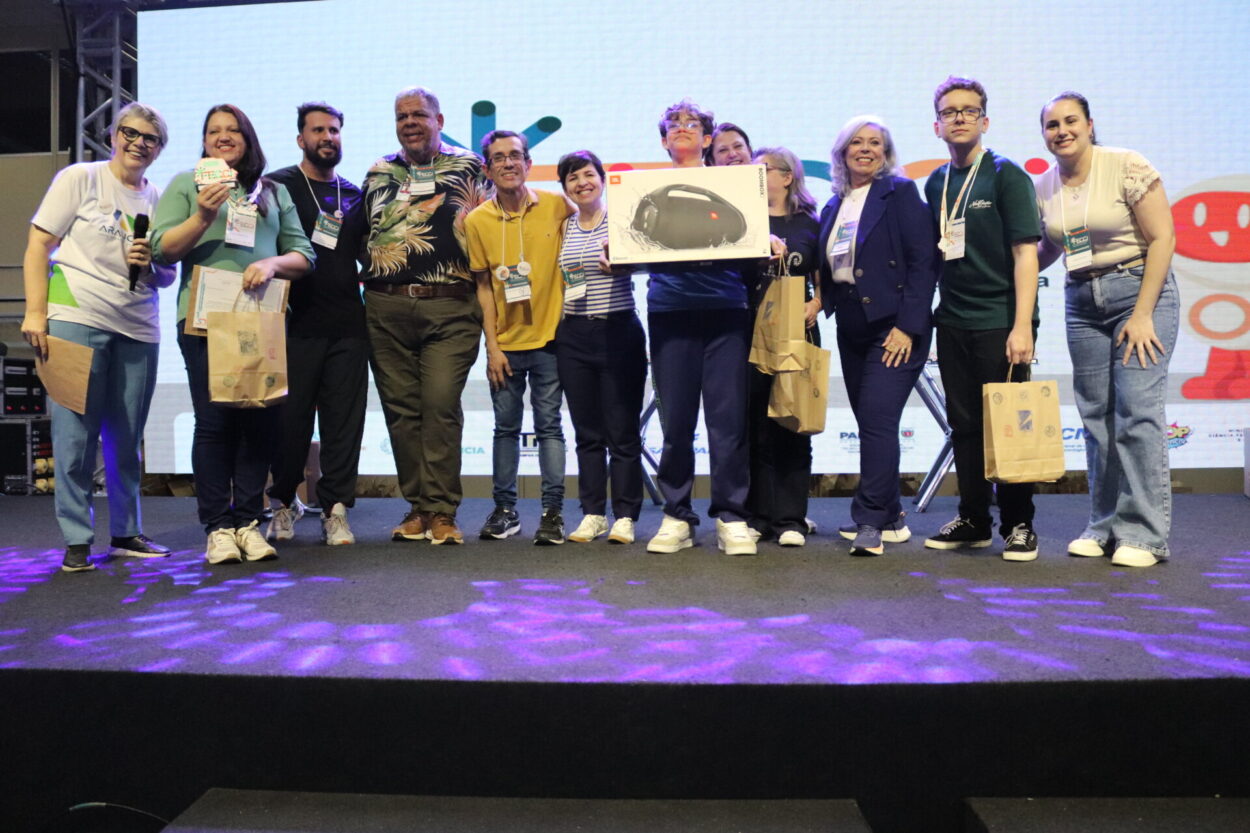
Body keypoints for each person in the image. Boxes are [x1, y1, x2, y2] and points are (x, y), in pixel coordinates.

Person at [151, 104, 314, 564]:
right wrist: (202, 215)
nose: (223, 136)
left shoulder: (271, 191)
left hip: (259, 321)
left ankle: (247, 522)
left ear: (247, 138)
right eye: (213, 131)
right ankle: (217, 528)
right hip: (203, 320)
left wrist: (272, 263)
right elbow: (162, 251)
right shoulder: (187, 184)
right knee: (215, 423)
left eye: (232, 130)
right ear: (204, 142)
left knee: (259, 422)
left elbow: (303, 254)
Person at [22, 102, 176, 572]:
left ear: (158, 149)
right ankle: (76, 538)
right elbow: (38, 244)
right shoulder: (81, 179)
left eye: (149, 139)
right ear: (114, 135)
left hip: (138, 327)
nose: (138, 143)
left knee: (126, 439)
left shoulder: (158, 201)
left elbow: (167, 276)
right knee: (74, 439)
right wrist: (34, 312)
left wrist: (150, 260)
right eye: (130, 133)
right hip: (76, 318)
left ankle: (126, 532)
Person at [1035, 92, 1179, 568]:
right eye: (1052, 125)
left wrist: (1142, 313)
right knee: (1097, 419)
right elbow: (1049, 251)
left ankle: (1145, 535)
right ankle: (1104, 526)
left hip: (1139, 292)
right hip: (1080, 302)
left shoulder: (1125, 165)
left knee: (1137, 413)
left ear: (1091, 124)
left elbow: (1162, 237)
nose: (1062, 131)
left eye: (1070, 121)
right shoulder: (1045, 184)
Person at [641, 98, 778, 556]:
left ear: (706, 138)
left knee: (727, 423)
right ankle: (677, 515)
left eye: (692, 123)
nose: (682, 129)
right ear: (664, 140)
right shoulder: (643, 191)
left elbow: (754, 237)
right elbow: (631, 248)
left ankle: (731, 516)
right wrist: (613, 257)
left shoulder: (734, 186)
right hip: (669, 314)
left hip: (725, 312)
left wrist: (769, 238)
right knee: (676, 424)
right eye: (673, 125)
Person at [922, 76, 1043, 562]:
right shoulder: (935, 182)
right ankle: (974, 518)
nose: (960, 118)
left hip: (1000, 320)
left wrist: (1022, 326)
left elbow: (1025, 254)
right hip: (952, 320)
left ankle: (1019, 524)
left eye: (969, 111)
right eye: (950, 112)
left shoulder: (1007, 175)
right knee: (964, 425)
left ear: (985, 121)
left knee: (1010, 424)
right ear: (937, 125)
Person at [361, 86, 489, 545]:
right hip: (385, 306)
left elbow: (492, 226)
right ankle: (418, 508)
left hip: (450, 305)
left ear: (440, 119)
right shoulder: (379, 171)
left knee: (439, 405)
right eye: (401, 116)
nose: (410, 122)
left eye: (419, 114)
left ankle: (442, 510)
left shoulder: (470, 166)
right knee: (401, 412)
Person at [818, 117, 938, 556]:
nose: (865, 149)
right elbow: (831, 266)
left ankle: (868, 522)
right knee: (871, 422)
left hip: (893, 328)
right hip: (851, 327)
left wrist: (907, 326)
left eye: (876, 143)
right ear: (842, 151)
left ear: (886, 154)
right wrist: (819, 301)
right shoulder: (834, 204)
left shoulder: (900, 193)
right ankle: (891, 516)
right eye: (857, 142)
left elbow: (924, 262)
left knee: (878, 420)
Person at [264, 102, 368, 546]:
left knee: (344, 424)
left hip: (348, 325)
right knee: (290, 423)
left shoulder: (354, 193)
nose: (328, 137)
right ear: (301, 138)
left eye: (335, 130)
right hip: (292, 325)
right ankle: (283, 504)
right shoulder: (277, 186)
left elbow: (367, 255)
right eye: (318, 130)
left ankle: (336, 510)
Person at [467, 130, 571, 545]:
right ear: (488, 168)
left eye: (515, 156)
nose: (508, 163)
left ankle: (552, 512)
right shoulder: (477, 221)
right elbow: (483, 287)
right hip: (505, 346)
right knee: (504, 429)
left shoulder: (556, 206)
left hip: (550, 341)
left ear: (529, 164)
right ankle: (505, 510)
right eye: (498, 158)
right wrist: (491, 347)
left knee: (550, 427)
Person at [554, 150, 647, 545]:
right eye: (572, 178)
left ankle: (625, 515)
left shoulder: (622, 221)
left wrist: (628, 266)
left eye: (588, 175)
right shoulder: (564, 227)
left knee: (622, 432)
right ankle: (593, 513)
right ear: (564, 187)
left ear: (602, 179)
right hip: (573, 336)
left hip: (618, 331)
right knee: (587, 432)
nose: (581, 183)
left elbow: (648, 262)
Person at [744, 146, 821, 546]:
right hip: (752, 331)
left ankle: (791, 518)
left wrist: (818, 302)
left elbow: (823, 272)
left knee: (793, 422)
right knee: (756, 425)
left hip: (797, 331)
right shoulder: (744, 220)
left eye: (764, 170)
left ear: (787, 176)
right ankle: (760, 516)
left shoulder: (809, 221)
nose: (757, 176)